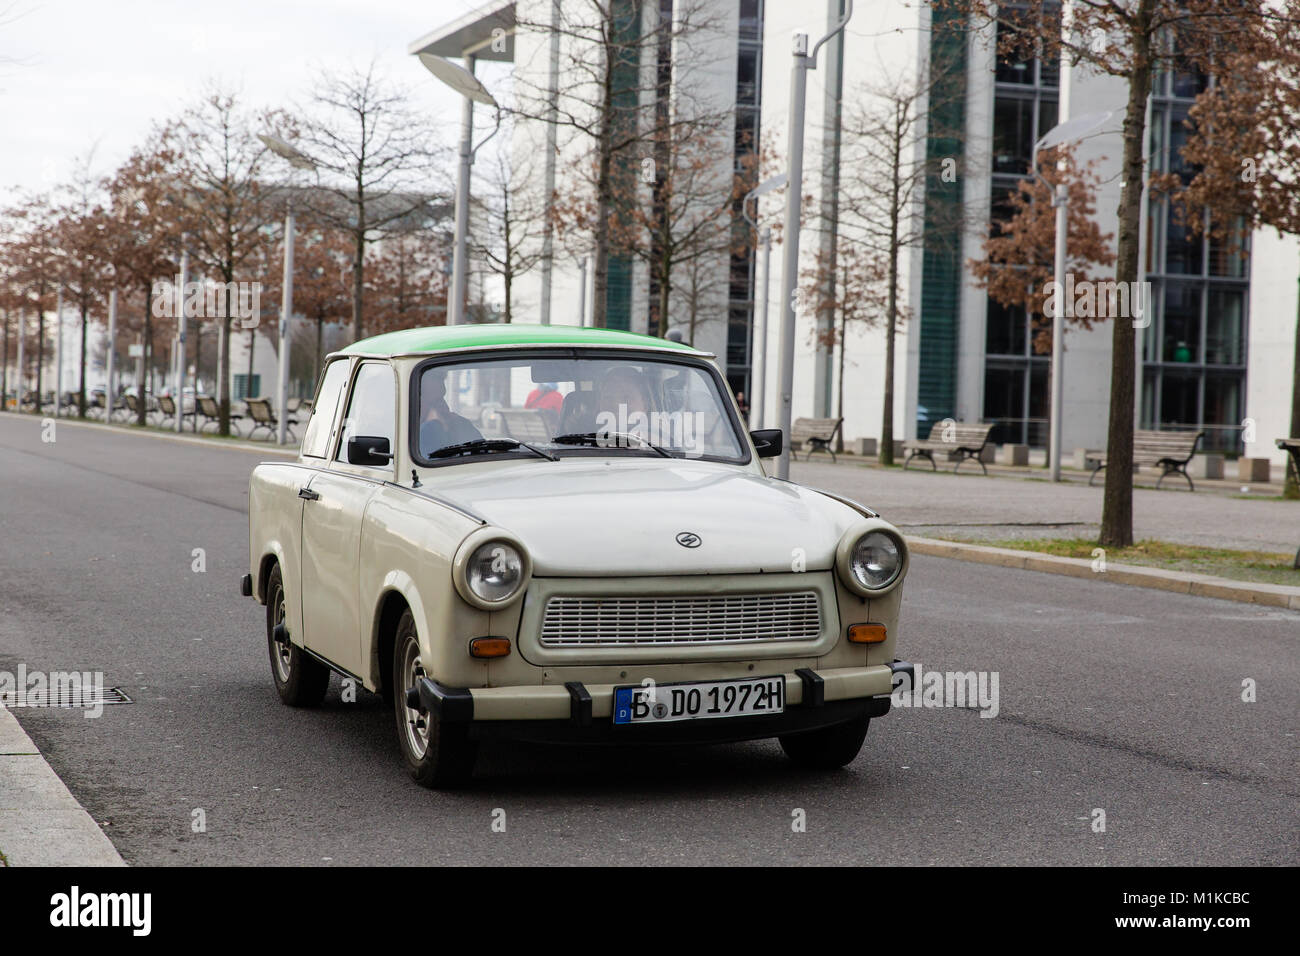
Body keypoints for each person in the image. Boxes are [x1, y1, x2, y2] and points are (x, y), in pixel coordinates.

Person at [419, 372, 481, 456]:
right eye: (434, 402)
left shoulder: (461, 425)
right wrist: (433, 427)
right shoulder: (409, 431)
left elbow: (483, 453)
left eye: (441, 399)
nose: (442, 405)